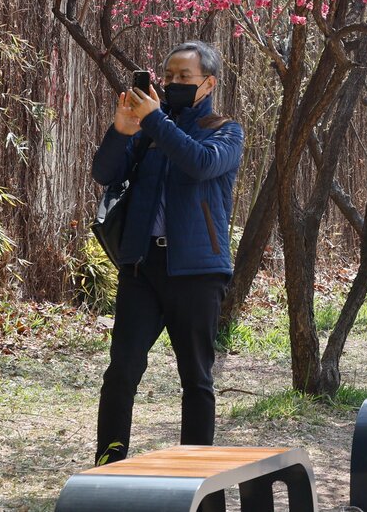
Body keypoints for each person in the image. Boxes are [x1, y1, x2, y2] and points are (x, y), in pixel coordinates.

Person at [92, 41, 244, 465]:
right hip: (142, 267)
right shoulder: (148, 132)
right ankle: (109, 463)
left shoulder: (224, 129)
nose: (173, 83)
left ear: (208, 83)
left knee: (196, 378)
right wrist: (122, 130)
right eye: (169, 76)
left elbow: (198, 163)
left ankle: (195, 473)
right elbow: (104, 173)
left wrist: (155, 120)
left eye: (184, 77)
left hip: (197, 271)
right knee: (121, 372)